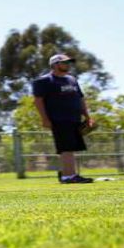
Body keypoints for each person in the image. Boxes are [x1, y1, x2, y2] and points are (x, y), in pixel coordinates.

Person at [32, 54, 95, 184]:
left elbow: (80, 99)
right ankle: (69, 176)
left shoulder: (72, 79)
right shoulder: (44, 81)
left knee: (71, 148)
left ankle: (68, 174)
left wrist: (88, 117)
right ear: (55, 65)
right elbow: (38, 101)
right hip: (59, 119)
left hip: (74, 119)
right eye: (64, 62)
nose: (67, 64)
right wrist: (45, 119)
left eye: (68, 62)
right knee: (66, 148)